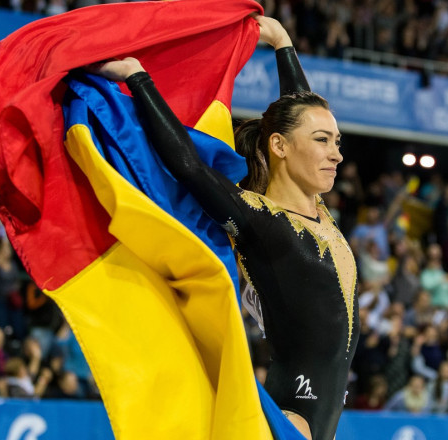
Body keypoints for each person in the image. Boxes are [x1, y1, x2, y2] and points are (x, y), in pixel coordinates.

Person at [91, 16, 359, 440]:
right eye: (324, 141)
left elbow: (298, 116)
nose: (337, 154)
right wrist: (139, 79)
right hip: (291, 423)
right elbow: (189, 167)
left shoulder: (316, 209)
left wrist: (283, 44)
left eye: (338, 141)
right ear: (280, 148)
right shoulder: (259, 220)